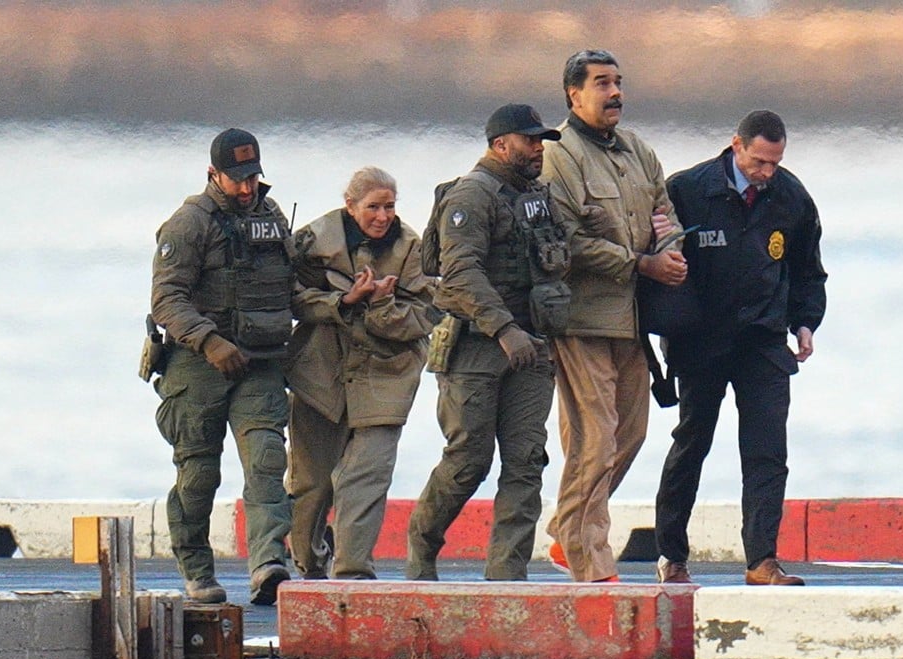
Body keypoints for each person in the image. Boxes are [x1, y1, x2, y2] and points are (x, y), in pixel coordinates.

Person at [655, 110, 827, 586]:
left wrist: (806, 323)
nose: (766, 173)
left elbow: (808, 269)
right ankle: (672, 556)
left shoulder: (790, 196)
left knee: (768, 450)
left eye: (774, 163)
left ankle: (761, 561)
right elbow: (658, 265)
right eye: (758, 162)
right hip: (701, 339)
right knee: (693, 443)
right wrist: (667, 328)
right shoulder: (688, 190)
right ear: (736, 146)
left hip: (762, 339)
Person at [539, 49, 687, 582]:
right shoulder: (560, 154)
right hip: (581, 319)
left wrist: (668, 248)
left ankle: (565, 528)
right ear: (574, 94)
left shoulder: (637, 151)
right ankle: (591, 561)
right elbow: (567, 237)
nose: (615, 92)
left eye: (619, 81)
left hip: (632, 319)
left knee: (630, 434)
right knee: (593, 438)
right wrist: (640, 262)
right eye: (602, 83)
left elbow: (664, 210)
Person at [406, 104, 566, 581]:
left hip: (532, 348)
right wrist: (503, 329)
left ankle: (507, 573)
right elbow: (460, 273)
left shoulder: (537, 196)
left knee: (526, 462)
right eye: (529, 140)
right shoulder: (472, 197)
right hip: (477, 347)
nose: (538, 149)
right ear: (501, 145)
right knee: (468, 459)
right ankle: (422, 547)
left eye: (541, 141)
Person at [151, 128, 293, 604]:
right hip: (198, 365)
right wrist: (210, 341)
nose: (248, 187)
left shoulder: (270, 217)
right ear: (213, 175)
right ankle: (196, 569)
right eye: (237, 179)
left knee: (267, 460)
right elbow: (166, 300)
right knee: (198, 473)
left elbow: (289, 286)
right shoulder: (188, 224)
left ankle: (270, 563)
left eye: (253, 176)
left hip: (259, 362)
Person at [283, 167, 434, 580]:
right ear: (350, 206)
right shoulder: (313, 242)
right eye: (373, 207)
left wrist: (382, 305)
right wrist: (343, 300)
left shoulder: (412, 250)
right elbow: (289, 297)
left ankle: (352, 572)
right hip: (321, 374)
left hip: (386, 376)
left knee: (366, 477)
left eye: (389, 206)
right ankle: (309, 559)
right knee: (310, 482)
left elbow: (427, 313)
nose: (383, 216)